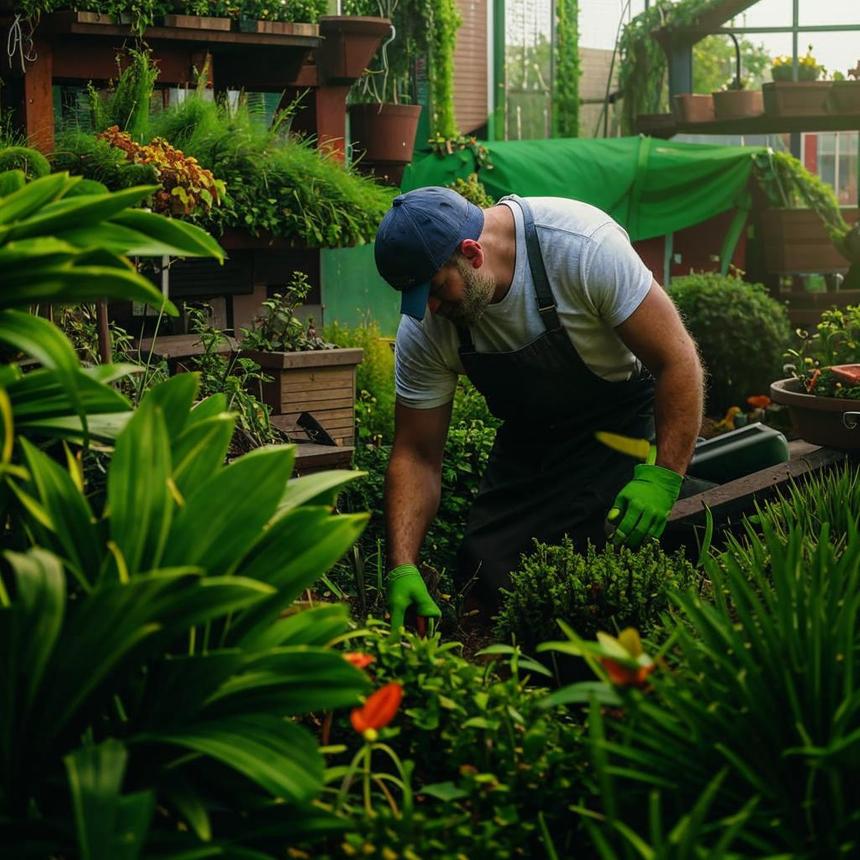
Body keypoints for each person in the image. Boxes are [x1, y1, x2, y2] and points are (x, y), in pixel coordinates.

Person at [374, 186, 704, 630]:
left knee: (592, 553)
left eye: (435, 290)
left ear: (472, 253)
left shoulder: (580, 247)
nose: (430, 308)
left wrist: (663, 478)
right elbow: (416, 453)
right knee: (482, 569)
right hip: (528, 437)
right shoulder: (428, 325)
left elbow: (677, 360)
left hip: (618, 426)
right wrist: (403, 564)